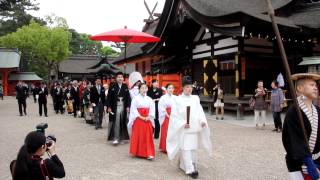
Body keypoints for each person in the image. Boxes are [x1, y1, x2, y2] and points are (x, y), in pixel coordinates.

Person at [167, 76, 212, 179]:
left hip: (194, 128)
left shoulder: (195, 98)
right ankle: (189, 169)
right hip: (184, 128)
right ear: (183, 88)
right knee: (186, 148)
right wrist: (182, 123)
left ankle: (188, 163)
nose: (189, 89)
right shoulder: (177, 100)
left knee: (193, 148)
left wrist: (202, 121)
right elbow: (174, 115)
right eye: (187, 87)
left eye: (190, 87)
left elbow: (199, 111)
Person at [282, 73, 320, 180]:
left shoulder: (317, 110)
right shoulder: (293, 112)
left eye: (316, 85)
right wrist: (309, 163)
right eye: (312, 85)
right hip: (299, 162)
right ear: (300, 88)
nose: (315, 87)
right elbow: (293, 140)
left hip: (317, 159)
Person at [128, 83, 155, 160]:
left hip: (147, 119)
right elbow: (133, 110)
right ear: (139, 89)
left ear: (147, 89)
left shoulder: (149, 99)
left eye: (145, 88)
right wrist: (141, 117)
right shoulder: (135, 99)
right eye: (142, 88)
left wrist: (148, 117)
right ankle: (136, 151)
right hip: (138, 119)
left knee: (148, 136)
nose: (144, 90)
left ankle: (149, 153)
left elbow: (152, 110)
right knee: (138, 135)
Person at [106, 72, 131, 145]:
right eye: (118, 77)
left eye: (121, 77)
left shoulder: (125, 86)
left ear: (123, 78)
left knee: (123, 121)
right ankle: (115, 138)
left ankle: (122, 137)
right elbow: (109, 98)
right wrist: (109, 106)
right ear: (116, 78)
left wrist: (128, 106)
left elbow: (128, 97)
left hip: (123, 105)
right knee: (116, 122)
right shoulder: (113, 86)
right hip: (115, 106)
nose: (120, 78)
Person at [158, 83, 175, 153]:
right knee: (166, 132)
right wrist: (167, 115)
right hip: (166, 116)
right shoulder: (163, 98)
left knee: (173, 132)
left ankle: (172, 147)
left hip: (173, 115)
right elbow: (161, 108)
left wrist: (174, 115)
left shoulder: (175, 97)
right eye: (169, 88)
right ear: (166, 89)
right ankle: (165, 147)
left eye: (172, 88)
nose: (171, 89)